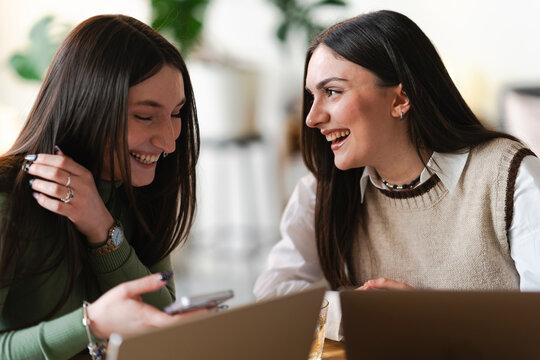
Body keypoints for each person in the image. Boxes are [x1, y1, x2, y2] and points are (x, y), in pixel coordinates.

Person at [254, 10, 540, 340]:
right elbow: (272, 293)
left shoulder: (510, 176)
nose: (312, 117)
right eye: (311, 96)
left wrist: (427, 319)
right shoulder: (324, 190)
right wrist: (353, 313)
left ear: (400, 98)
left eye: (332, 91)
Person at [0, 14, 202, 359]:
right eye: (145, 115)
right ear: (87, 108)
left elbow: (162, 324)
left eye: (176, 113)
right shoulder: (7, 203)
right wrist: (90, 323)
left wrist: (100, 226)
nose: (169, 142)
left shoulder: (140, 189)